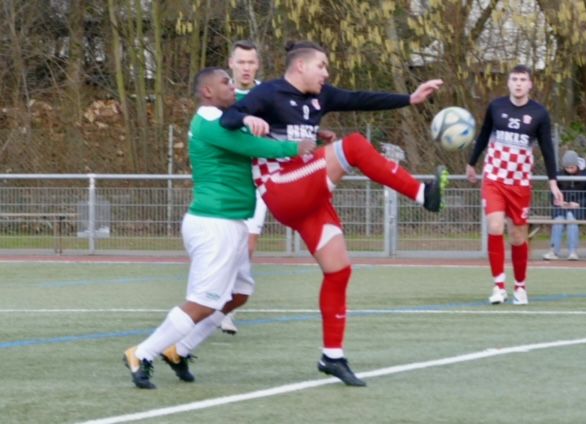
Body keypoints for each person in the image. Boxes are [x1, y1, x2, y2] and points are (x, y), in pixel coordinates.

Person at [220, 40, 447, 387]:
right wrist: (247, 117)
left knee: (338, 269)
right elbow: (228, 118)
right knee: (353, 146)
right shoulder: (269, 93)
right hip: (281, 187)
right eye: (321, 66)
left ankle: (333, 356)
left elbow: (361, 98)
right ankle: (422, 194)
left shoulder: (320, 96)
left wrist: (410, 98)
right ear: (300, 67)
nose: (326, 73)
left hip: (307, 193)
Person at [122, 67, 315, 389]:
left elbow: (258, 118)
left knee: (239, 294)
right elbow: (253, 146)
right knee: (203, 302)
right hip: (214, 224)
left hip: (232, 223)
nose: (232, 87)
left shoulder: (224, 117)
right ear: (207, 92)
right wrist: (295, 148)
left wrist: (305, 127)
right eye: (225, 82)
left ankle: (179, 349)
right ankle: (142, 354)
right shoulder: (209, 120)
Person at [466, 64, 563, 306]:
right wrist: (471, 163)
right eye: (514, 79)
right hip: (494, 178)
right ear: (508, 83)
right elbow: (483, 135)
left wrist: (553, 183)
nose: (518, 84)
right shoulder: (496, 107)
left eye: (522, 80)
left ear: (530, 84)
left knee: (518, 236)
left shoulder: (539, 113)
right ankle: (498, 286)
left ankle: (520, 286)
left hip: (520, 183)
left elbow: (547, 149)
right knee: (495, 225)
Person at [219, 39, 262, 336]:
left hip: (260, 179)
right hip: (230, 180)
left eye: (251, 62)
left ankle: (227, 308)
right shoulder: (223, 95)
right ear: (231, 64)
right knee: (227, 245)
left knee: (248, 245)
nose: (246, 67)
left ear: (257, 65)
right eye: (241, 62)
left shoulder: (266, 93)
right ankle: (214, 299)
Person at [542, 150, 586, 261]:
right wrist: (557, 201)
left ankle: (573, 251)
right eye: (567, 168)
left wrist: (579, 204)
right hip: (561, 208)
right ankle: (553, 251)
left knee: (571, 219)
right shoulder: (558, 175)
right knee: (559, 220)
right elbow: (552, 194)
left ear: (577, 165)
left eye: (572, 167)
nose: (569, 170)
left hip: (579, 208)